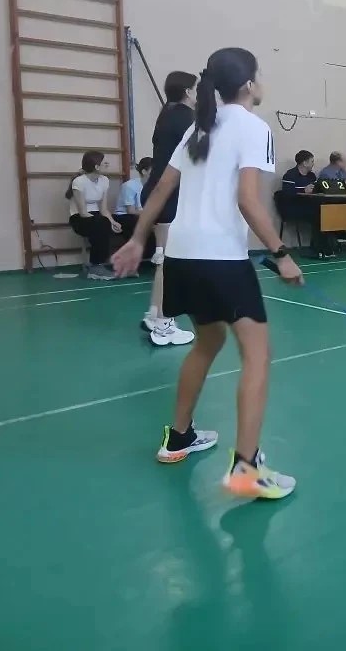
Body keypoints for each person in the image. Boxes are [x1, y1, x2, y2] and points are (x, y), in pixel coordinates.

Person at [111, 46, 300, 500]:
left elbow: (161, 186)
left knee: (208, 341)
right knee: (258, 355)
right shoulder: (253, 127)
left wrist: (138, 237)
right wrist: (281, 252)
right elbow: (248, 200)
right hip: (221, 259)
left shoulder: (200, 126)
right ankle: (247, 468)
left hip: (182, 255)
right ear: (249, 84)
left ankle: (179, 438)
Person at [141, 70, 198, 346]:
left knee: (163, 257)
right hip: (169, 194)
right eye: (196, 89)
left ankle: (154, 314)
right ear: (187, 91)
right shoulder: (187, 118)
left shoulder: (166, 114)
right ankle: (164, 325)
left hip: (155, 192)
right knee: (169, 261)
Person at [66, 151, 121, 280]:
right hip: (79, 218)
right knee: (101, 224)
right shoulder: (79, 182)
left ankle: (108, 264)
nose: (107, 165)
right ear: (96, 166)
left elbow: (104, 209)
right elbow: (83, 212)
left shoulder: (104, 181)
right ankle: (96, 265)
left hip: (96, 216)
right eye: (104, 163)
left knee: (111, 223)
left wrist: (113, 222)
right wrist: (104, 221)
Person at [114, 157, 154, 243]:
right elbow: (131, 211)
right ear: (144, 171)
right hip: (124, 216)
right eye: (153, 170)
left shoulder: (153, 186)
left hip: (141, 214)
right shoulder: (130, 186)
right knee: (137, 222)